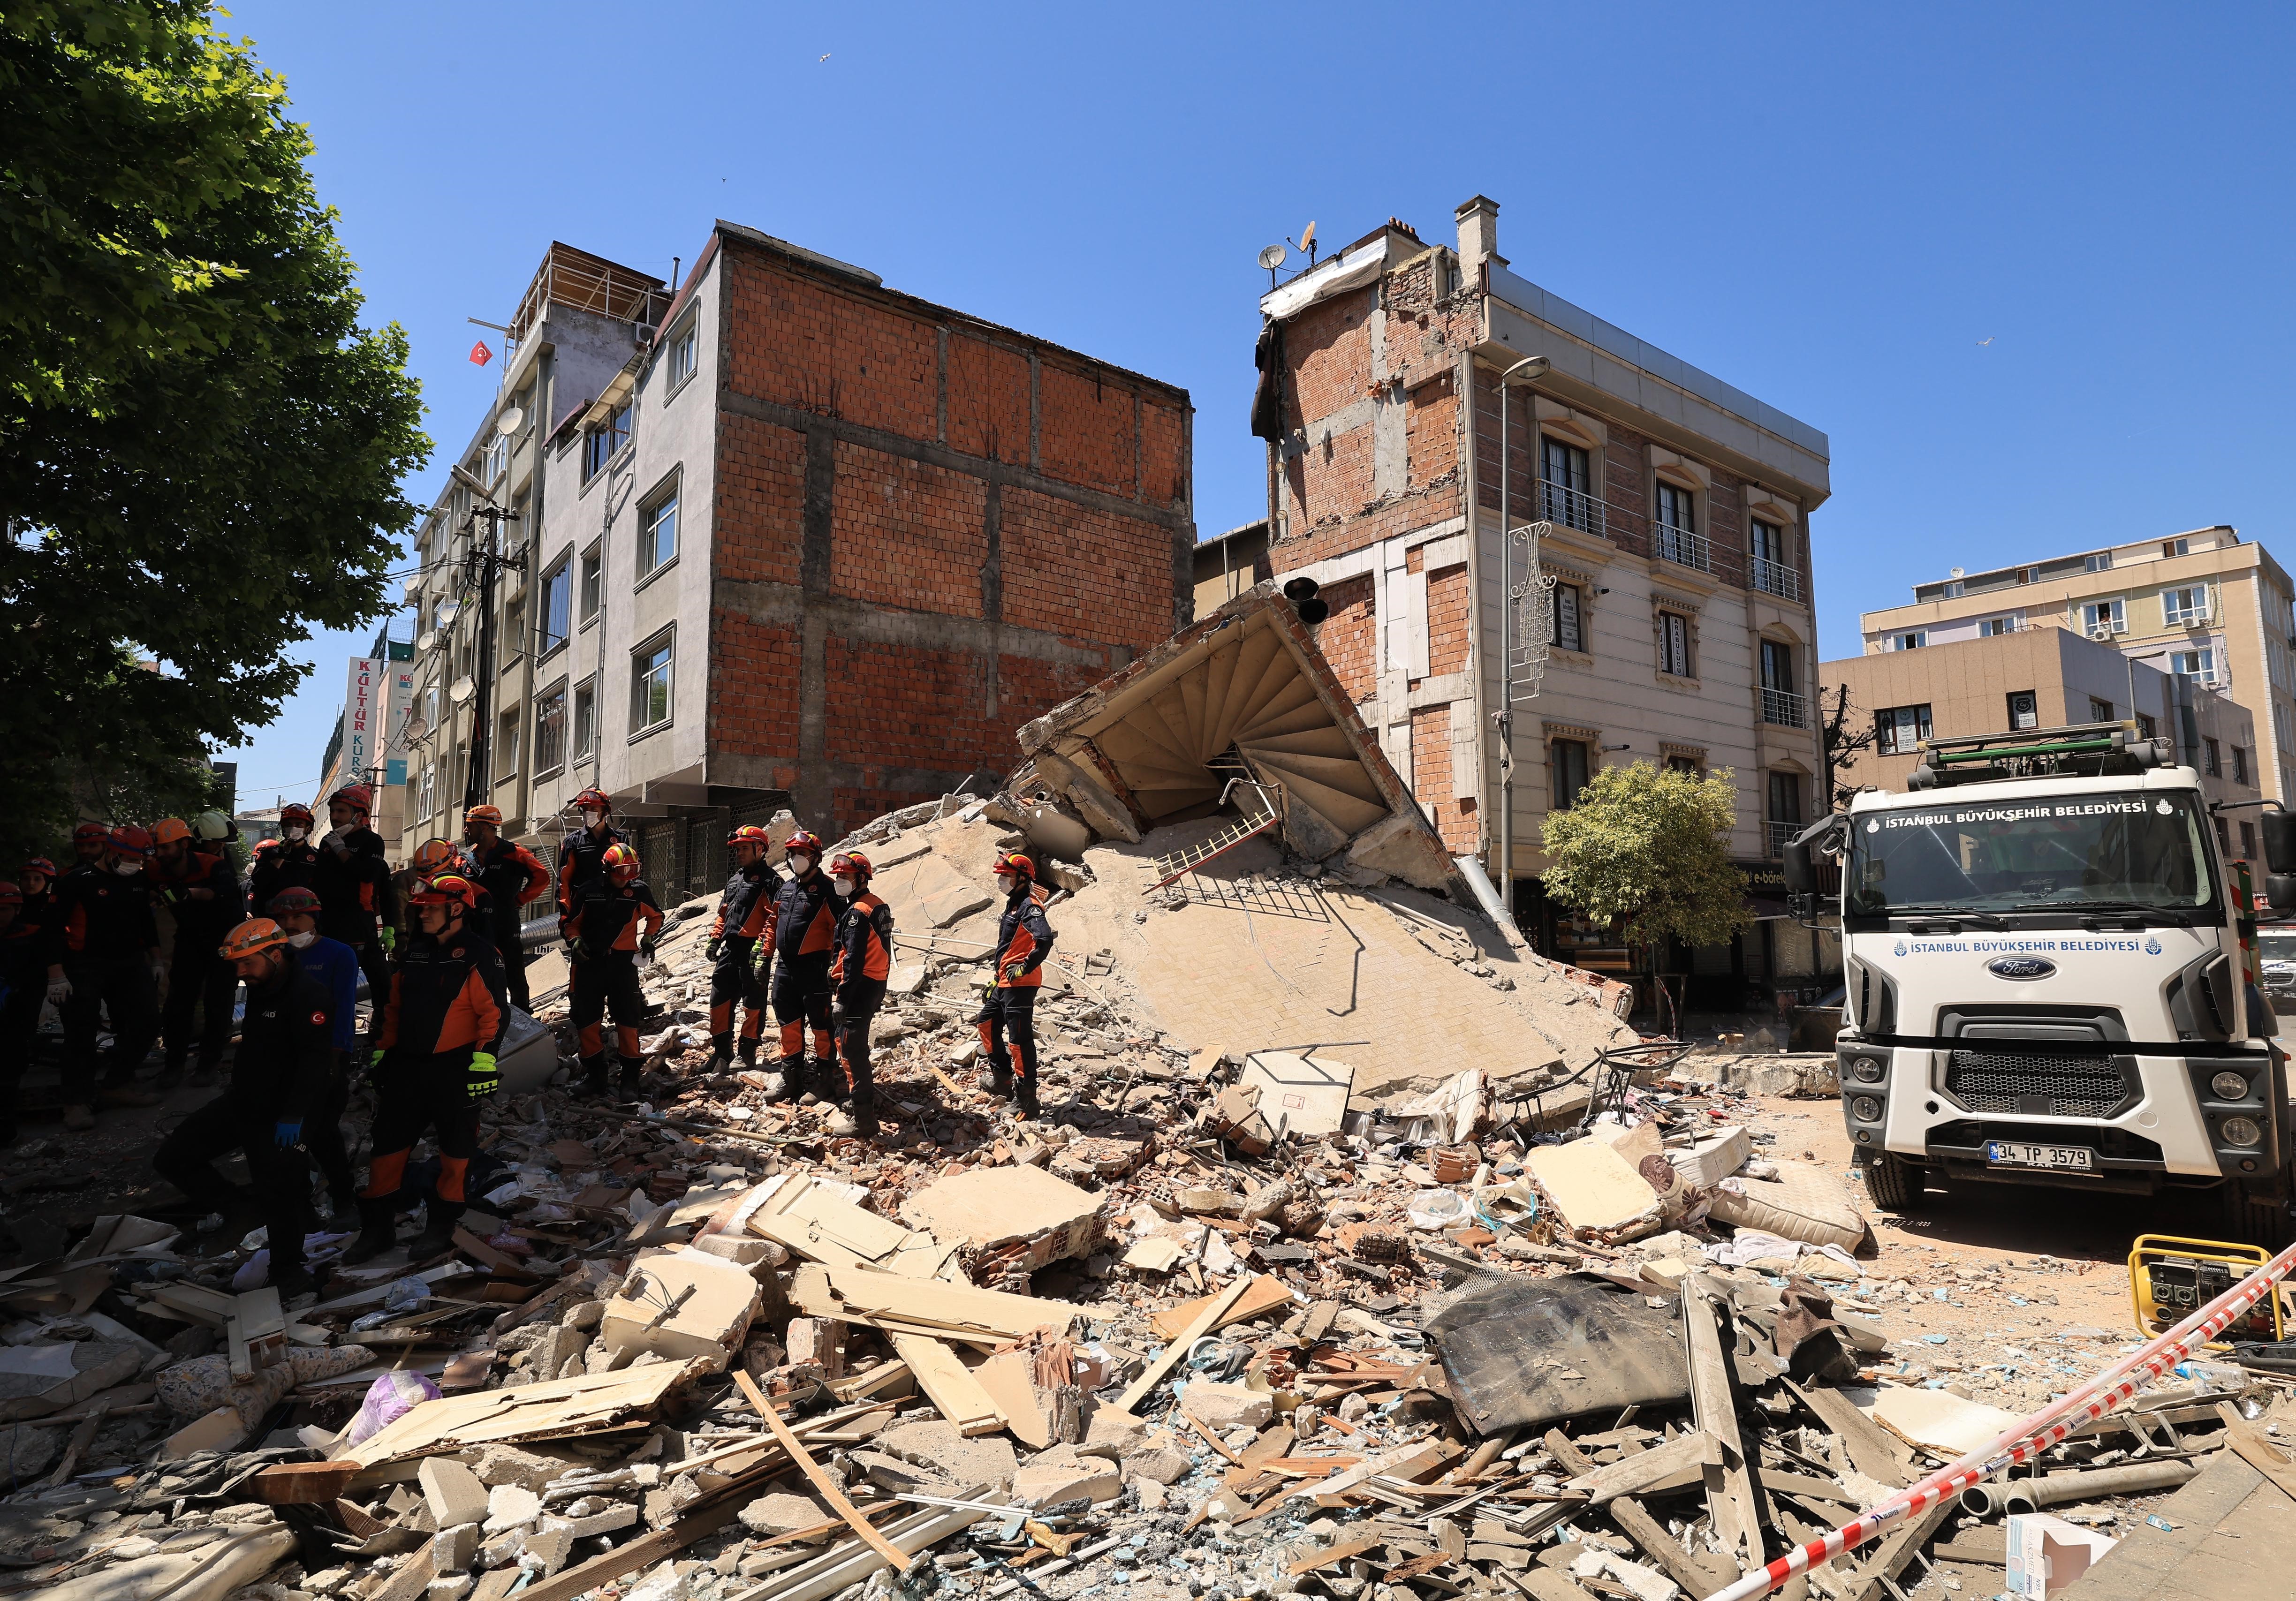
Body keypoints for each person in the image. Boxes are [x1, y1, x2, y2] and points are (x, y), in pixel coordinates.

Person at [152, 918, 332, 1306]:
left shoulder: (308, 995)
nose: (241, 972)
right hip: (244, 1102)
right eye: (237, 965)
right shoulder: (263, 986)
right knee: (173, 1157)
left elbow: (315, 1064)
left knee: (281, 1192)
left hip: (285, 1114)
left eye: (247, 963)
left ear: (276, 953)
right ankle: (238, 1208)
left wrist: (295, 1117)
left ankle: (289, 1274)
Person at [341, 874, 507, 1265]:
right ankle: (377, 1230)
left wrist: (483, 1065)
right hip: (406, 1071)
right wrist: (382, 1053)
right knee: (386, 1152)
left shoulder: (480, 954)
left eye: (431, 907)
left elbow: (494, 1015)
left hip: (455, 1071)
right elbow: (393, 1010)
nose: (423, 913)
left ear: (456, 910)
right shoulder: (414, 952)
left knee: (456, 1155)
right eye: (421, 908)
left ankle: (441, 1226)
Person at [53, 823, 164, 1127]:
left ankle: (116, 1084)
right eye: (129, 859)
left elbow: (146, 922)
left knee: (148, 1023)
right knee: (81, 1032)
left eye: (139, 861)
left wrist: (156, 960)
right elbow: (52, 930)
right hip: (84, 964)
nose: (134, 866)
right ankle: (76, 1102)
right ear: (111, 851)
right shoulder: (76, 881)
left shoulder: (138, 880)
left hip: (129, 962)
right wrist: (56, 974)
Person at [266, 887, 360, 1221]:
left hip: (327, 1057)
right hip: (285, 1059)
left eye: (297, 917)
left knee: (322, 1132)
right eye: (283, 918)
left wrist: (334, 1059)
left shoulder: (339, 955)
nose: (289, 924)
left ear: (314, 919)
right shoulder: (275, 954)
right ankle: (300, 1207)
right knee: (286, 1137)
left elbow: (344, 1007)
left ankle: (344, 1199)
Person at [152, 817, 248, 1089]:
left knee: (218, 1003)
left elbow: (224, 893)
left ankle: (208, 1065)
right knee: (178, 1003)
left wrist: (190, 894)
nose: (218, 848)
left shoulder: (216, 865)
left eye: (221, 844)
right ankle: (174, 1064)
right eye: (213, 843)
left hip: (223, 941)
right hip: (189, 939)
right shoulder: (159, 868)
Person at [564, 843, 664, 1100]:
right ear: (607, 869)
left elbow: (656, 917)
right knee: (586, 1021)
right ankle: (595, 1075)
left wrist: (649, 937)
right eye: (622, 872)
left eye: (632, 872)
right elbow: (571, 925)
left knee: (628, 1021)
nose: (626, 878)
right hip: (589, 964)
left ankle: (630, 1078)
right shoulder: (588, 891)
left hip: (622, 965)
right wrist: (575, 941)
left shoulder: (639, 891)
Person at [310, 785, 398, 1033]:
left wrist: (342, 852)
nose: (334, 817)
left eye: (341, 811)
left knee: (381, 982)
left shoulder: (372, 841)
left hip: (359, 922)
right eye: (332, 811)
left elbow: (370, 876)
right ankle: (336, 1035)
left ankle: (383, 1033)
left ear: (359, 815)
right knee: (332, 984)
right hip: (328, 922)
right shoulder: (327, 844)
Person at [977, 850, 1055, 1120]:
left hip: (1021, 983)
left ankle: (1027, 1101)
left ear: (1023, 878)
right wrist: (997, 977)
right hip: (1006, 981)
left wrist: (1025, 968)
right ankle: (1002, 1080)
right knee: (986, 1023)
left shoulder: (1029, 907)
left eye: (1007, 876)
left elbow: (1043, 939)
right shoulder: (1013, 904)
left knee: (1019, 1041)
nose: (1002, 881)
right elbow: (1011, 946)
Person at [759, 829, 837, 1100]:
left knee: (821, 1026)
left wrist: (835, 969)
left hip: (815, 969)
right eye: (792, 854)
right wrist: (764, 956)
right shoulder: (786, 887)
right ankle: (791, 1079)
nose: (796, 859)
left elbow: (841, 935)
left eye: (802, 854)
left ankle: (826, 1079)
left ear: (816, 857)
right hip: (785, 969)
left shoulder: (829, 890)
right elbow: (772, 922)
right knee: (788, 1024)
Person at [827, 851, 894, 1138]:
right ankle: (864, 1097)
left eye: (845, 876)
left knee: (850, 1049)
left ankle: (863, 1119)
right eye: (838, 876)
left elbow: (853, 959)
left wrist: (842, 997)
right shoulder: (876, 904)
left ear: (861, 878)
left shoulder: (857, 912)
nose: (840, 881)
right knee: (857, 1047)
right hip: (874, 983)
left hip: (858, 986)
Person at [704, 824, 780, 1073]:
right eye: (737, 849)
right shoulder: (735, 879)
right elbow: (724, 912)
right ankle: (721, 1053)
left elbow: (774, 918)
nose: (739, 853)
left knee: (753, 1003)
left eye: (745, 848)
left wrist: (764, 951)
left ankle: (747, 1054)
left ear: (761, 849)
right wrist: (716, 938)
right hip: (730, 948)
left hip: (753, 950)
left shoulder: (771, 881)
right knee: (719, 1000)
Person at [462, 806, 550, 1013]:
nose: (466, 832)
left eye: (470, 826)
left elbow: (542, 877)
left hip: (505, 925)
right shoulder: (465, 858)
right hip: (474, 928)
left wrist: (519, 900)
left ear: (485, 827)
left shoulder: (515, 853)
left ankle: (523, 1016)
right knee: (477, 973)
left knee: (513, 973)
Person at [0, 883, 49, 1147]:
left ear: (17, 910)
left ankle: (7, 1127)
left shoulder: (32, 935)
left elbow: (39, 974)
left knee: (11, 1065)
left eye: (4, 910)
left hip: (19, 1013)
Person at [556, 787, 627, 921]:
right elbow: (563, 882)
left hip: (614, 909)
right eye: (585, 810)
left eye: (593, 810)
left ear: (606, 812)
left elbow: (629, 874)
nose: (588, 814)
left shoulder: (620, 839)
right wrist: (566, 916)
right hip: (583, 910)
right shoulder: (573, 841)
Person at [248, 804, 321, 908]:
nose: (293, 828)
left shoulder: (316, 857)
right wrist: (280, 857)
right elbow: (259, 881)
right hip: (273, 911)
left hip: (303, 912)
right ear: (283, 827)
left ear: (308, 828)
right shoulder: (269, 853)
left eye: (299, 824)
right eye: (289, 824)